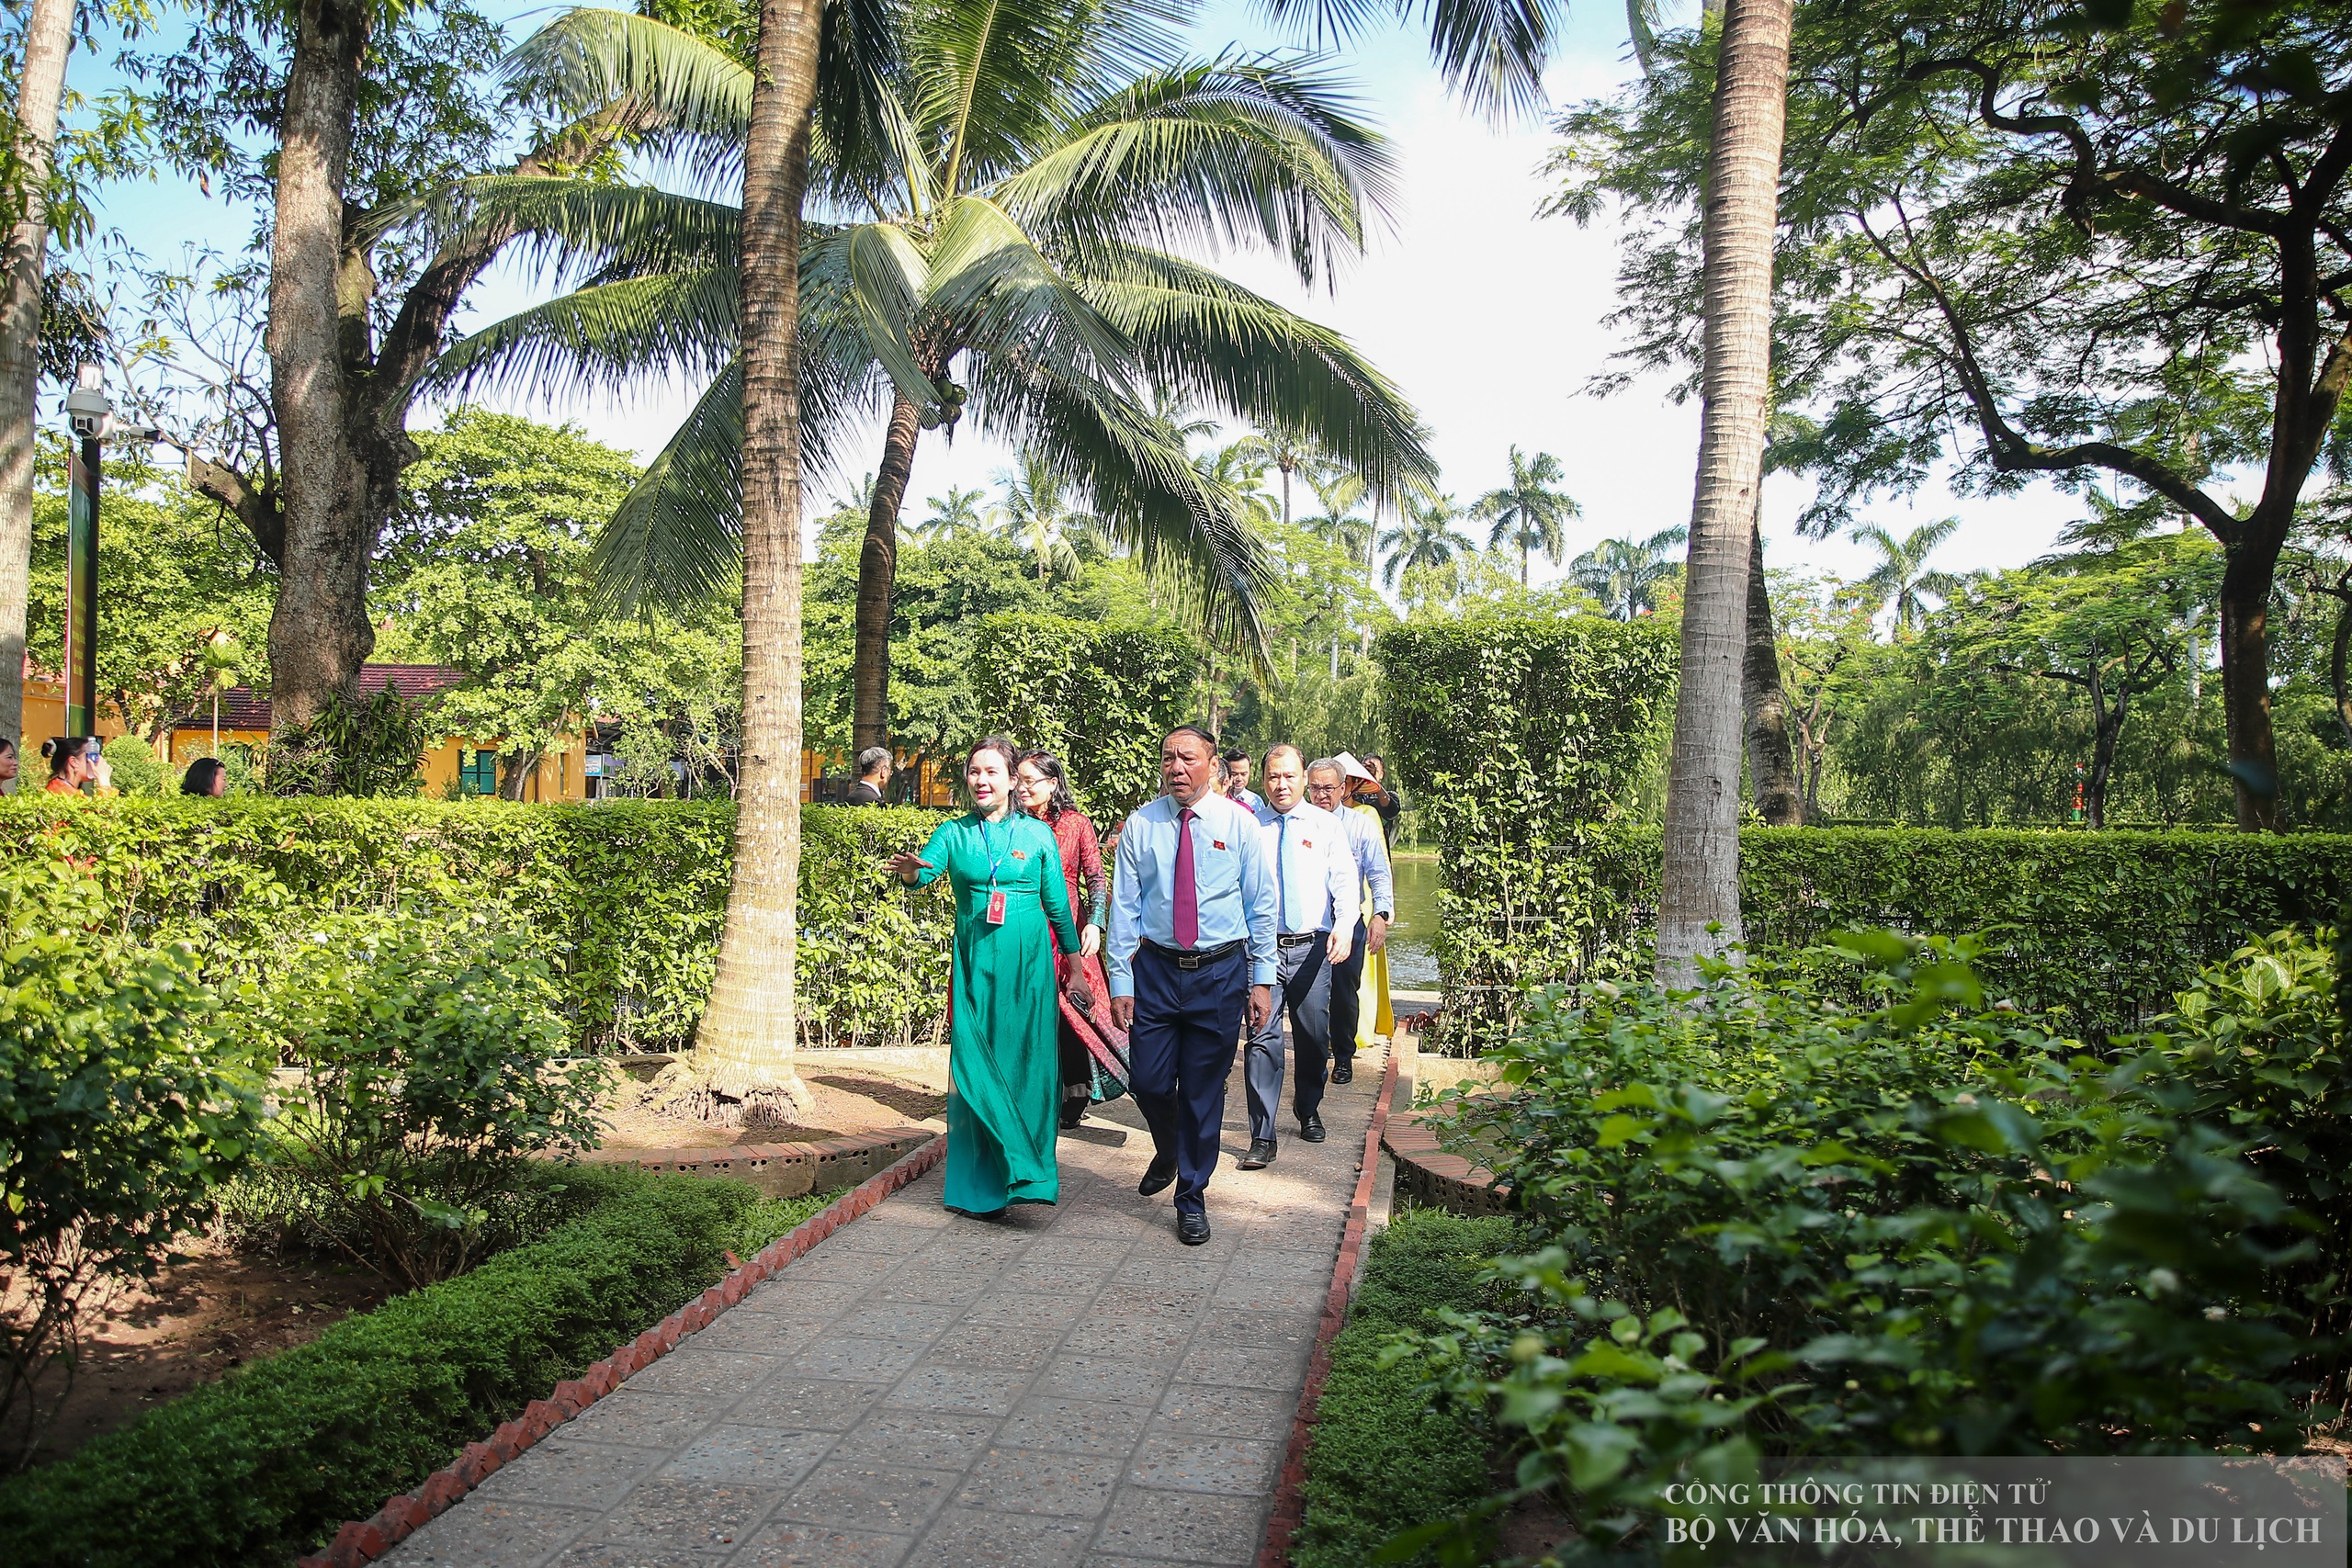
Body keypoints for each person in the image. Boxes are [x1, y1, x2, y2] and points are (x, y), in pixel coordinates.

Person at [889, 737, 1082, 1217]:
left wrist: (1076, 968)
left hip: (1030, 966)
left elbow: (1057, 904)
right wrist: (912, 873)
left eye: (992, 771)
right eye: (975, 771)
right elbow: (923, 874)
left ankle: (1028, 1175)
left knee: (1027, 1063)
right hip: (976, 962)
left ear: (1013, 779)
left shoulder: (1037, 836)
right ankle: (980, 1185)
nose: (981, 780)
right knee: (974, 1062)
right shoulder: (953, 834)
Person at [1107, 725, 1277, 1246]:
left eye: (1188, 758)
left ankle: (1191, 1196)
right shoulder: (1142, 825)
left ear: (1212, 765)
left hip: (1220, 973)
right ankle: (1168, 1148)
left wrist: (1262, 981)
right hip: (1156, 971)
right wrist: (1120, 980)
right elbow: (1125, 909)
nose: (1176, 768)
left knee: (1203, 1092)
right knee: (1150, 1082)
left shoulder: (1240, 825)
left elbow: (1262, 906)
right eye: (1167, 758)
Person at [1239, 745, 1354, 1168]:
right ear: (1262, 780)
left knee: (1312, 1038)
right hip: (1261, 950)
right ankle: (1262, 1134)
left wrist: (1344, 926)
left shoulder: (1326, 826)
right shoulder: (1249, 827)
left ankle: (1307, 1106)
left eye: (1289, 776)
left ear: (1304, 778)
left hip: (1312, 949)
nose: (1281, 784)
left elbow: (1344, 881)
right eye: (1273, 776)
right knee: (1261, 1038)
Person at [1012, 748, 1130, 1128]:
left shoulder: (1077, 824)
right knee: (1031, 1014)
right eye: (1019, 780)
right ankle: (1034, 1095)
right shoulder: (1011, 825)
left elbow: (1096, 878)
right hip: (1024, 928)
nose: (1022, 788)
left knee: (1076, 1014)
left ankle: (1075, 1093)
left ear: (1052, 783)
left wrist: (1094, 922)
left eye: (1030, 781)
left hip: (1068, 934)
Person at [1307, 757, 1394, 1084]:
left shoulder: (1360, 824)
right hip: (1310, 924)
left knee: (1345, 991)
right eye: (1315, 788)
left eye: (1329, 788)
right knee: (1310, 998)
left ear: (1343, 789)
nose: (1321, 795)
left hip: (1348, 921)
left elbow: (1378, 873)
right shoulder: (1299, 823)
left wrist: (1380, 915)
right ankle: (1315, 1058)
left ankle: (1343, 1056)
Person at [1221, 747, 1264, 815]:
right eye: (1234, 774)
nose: (1239, 779)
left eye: (1244, 774)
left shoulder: (1256, 801)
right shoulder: (1217, 798)